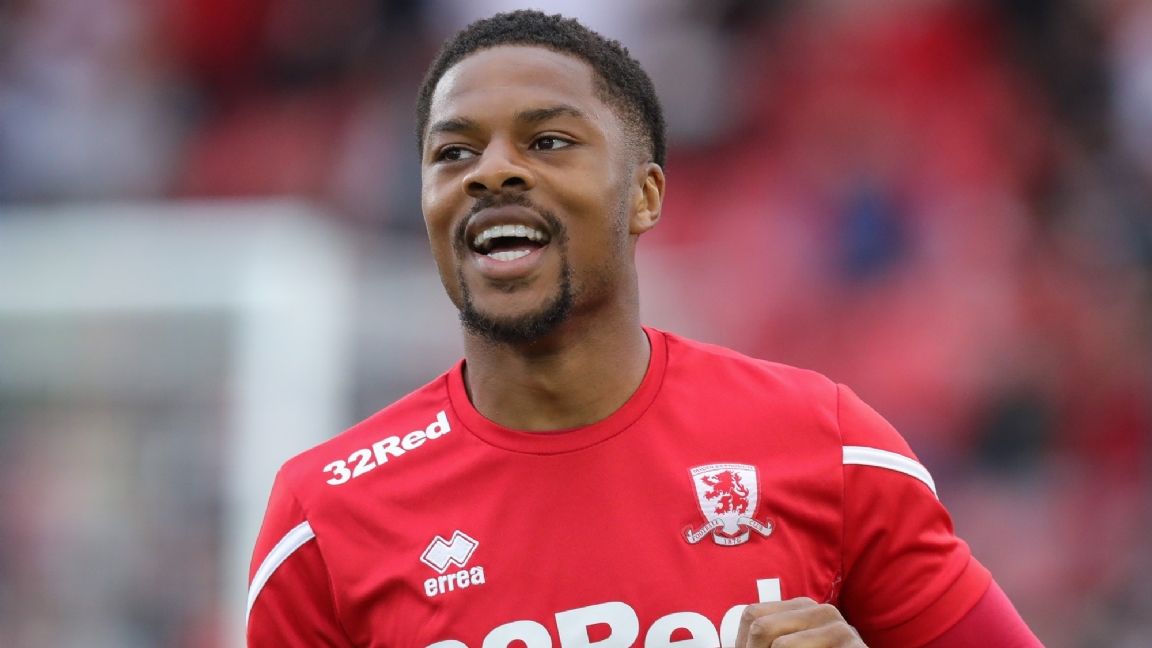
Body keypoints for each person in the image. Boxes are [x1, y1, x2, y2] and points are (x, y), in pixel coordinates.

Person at [247, 10, 1042, 647]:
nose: (491, 171)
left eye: (548, 141)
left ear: (645, 196)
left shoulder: (830, 447)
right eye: (453, 152)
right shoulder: (323, 521)